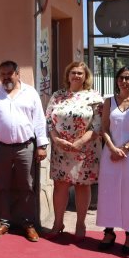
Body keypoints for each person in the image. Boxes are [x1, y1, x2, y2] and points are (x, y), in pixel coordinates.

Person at [0, 60, 48, 242]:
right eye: (2, 74)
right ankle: (3, 222)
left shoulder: (30, 93)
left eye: (9, 73)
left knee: (27, 186)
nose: (6, 77)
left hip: (25, 147)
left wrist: (41, 145)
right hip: (0, 148)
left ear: (18, 74)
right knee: (2, 187)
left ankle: (28, 224)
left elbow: (39, 120)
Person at [45, 61, 103, 240]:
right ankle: (58, 222)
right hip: (61, 149)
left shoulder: (93, 96)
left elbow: (98, 124)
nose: (76, 76)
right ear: (68, 75)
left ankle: (80, 223)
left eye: (80, 73)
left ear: (86, 76)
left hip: (85, 149)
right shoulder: (58, 95)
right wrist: (55, 139)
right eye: (73, 73)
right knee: (60, 185)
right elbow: (48, 119)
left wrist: (80, 142)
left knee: (82, 185)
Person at [96, 66, 129, 254]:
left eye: (127, 77)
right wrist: (112, 148)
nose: (123, 81)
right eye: (120, 78)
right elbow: (104, 128)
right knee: (109, 191)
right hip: (110, 153)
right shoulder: (109, 101)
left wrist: (125, 148)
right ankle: (109, 232)